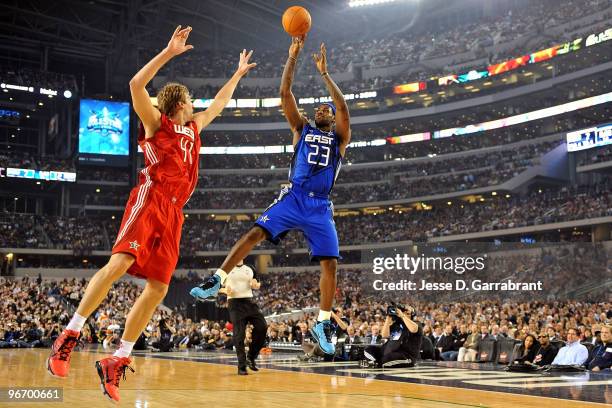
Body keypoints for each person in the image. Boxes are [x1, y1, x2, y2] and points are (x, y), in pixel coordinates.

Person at [46, 25, 256, 403]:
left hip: (175, 212)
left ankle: (117, 359)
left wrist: (237, 75)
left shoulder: (194, 127)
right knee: (121, 262)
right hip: (151, 197)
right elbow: (134, 86)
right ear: (179, 103)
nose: (196, 104)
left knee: (158, 287)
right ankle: (70, 333)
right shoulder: (157, 123)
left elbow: (221, 104)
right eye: (191, 100)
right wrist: (168, 53)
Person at [190, 35, 351, 357]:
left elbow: (344, 105)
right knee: (254, 232)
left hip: (320, 206)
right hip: (294, 196)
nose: (323, 107)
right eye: (318, 106)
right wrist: (292, 57)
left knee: (331, 264)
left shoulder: (340, 139)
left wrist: (325, 74)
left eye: (327, 108)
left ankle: (322, 322)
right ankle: (215, 279)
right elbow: (284, 93)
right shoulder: (301, 129)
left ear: (332, 119)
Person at [219, 262, 267, 375]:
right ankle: (242, 366)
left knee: (262, 327)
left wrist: (256, 285)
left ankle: (251, 357)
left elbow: (257, 283)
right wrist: (225, 291)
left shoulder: (250, 268)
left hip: (249, 302)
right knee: (239, 334)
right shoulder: (226, 267)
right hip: (234, 304)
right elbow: (216, 287)